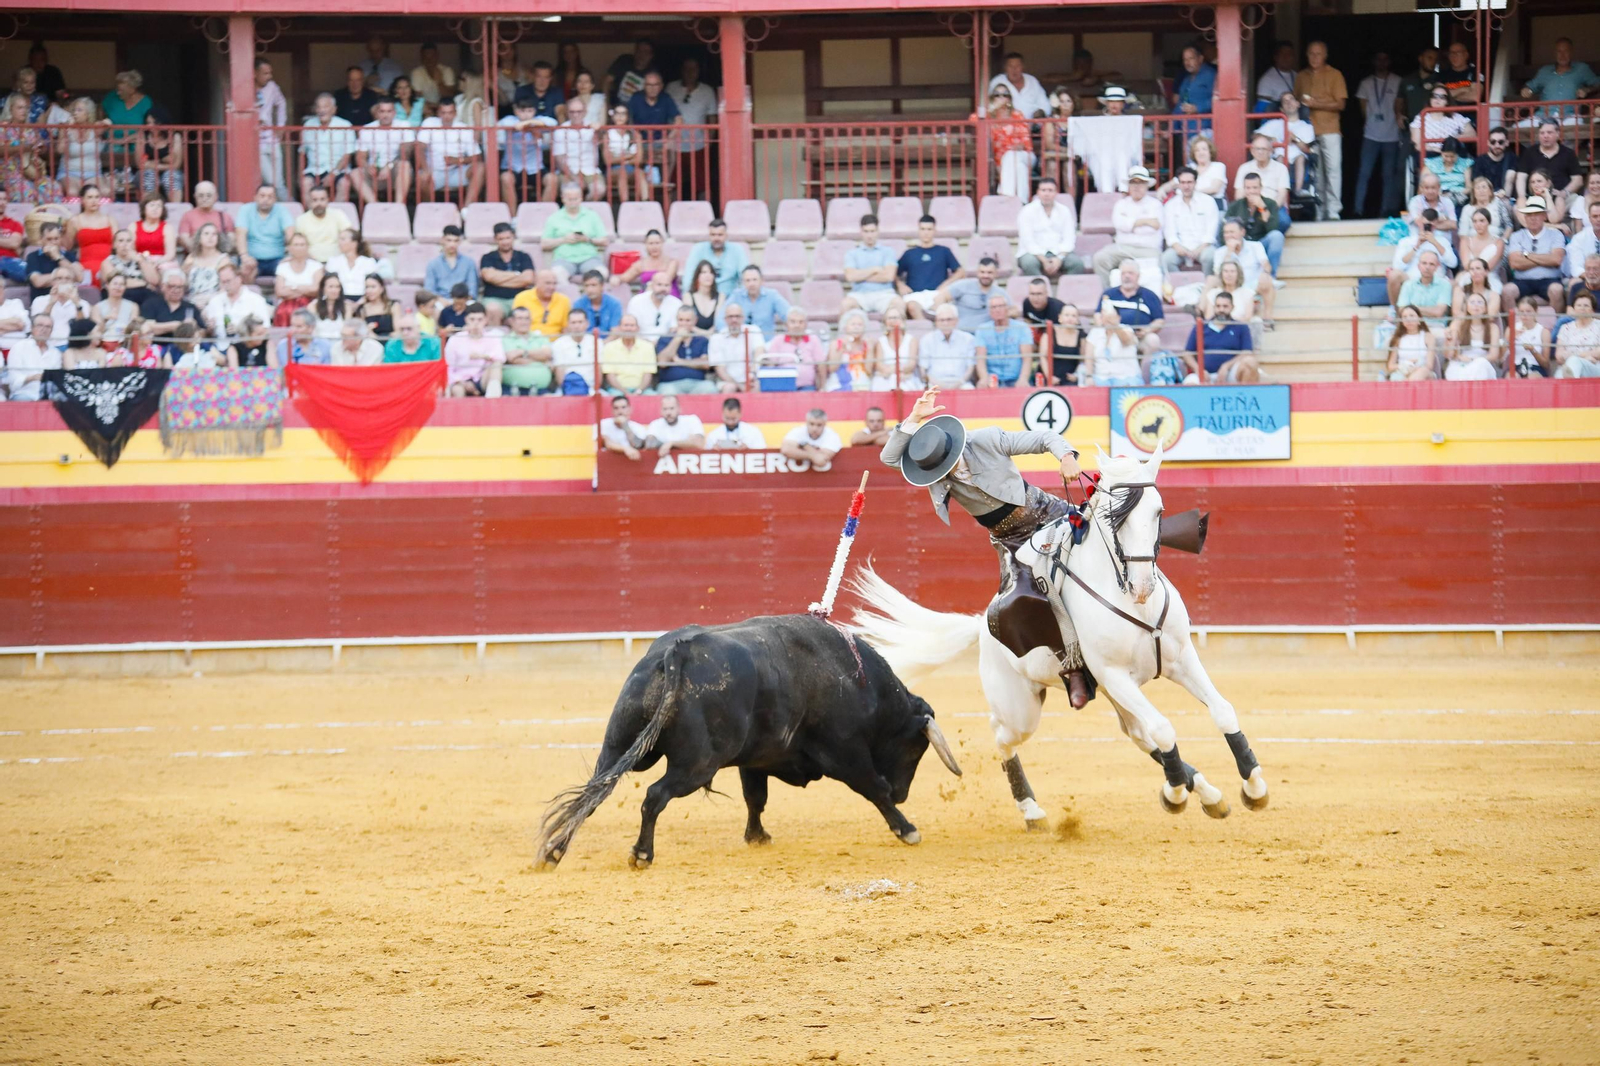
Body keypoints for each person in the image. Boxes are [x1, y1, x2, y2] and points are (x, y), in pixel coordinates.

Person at [878, 384, 1092, 705]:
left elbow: (1043, 437)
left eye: (944, 464)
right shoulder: (928, 465)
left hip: (1046, 512)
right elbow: (889, 456)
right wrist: (913, 418)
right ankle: (1074, 668)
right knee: (1026, 600)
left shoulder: (987, 439)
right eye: (936, 470)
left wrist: (1066, 455)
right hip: (1010, 540)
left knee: (1106, 533)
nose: (942, 473)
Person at [1294, 41, 1347, 220]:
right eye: (1311, 53)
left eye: (1318, 54)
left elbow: (1341, 104)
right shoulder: (1301, 76)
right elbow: (1295, 102)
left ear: (1325, 56)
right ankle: (1319, 211)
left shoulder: (1335, 74)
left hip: (1331, 129)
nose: (1314, 57)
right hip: (1308, 132)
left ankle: (1333, 211)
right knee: (1316, 173)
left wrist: (1315, 104)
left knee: (1333, 171)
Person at [1091, 166, 1163, 285]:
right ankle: (1108, 295)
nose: (1136, 186)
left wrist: (1130, 224)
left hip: (1148, 249)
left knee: (1159, 261)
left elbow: (1154, 227)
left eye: (1140, 183)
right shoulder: (1121, 204)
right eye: (1133, 183)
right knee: (1100, 258)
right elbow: (1119, 224)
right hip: (1122, 248)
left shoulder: (1156, 205)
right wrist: (1144, 221)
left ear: (1147, 185)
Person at [1353, 51, 1404, 218]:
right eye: (1379, 59)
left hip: (1392, 135)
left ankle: (1385, 211)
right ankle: (1358, 209)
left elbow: (1401, 106)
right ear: (1374, 62)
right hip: (1371, 135)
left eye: (1385, 59)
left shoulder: (1397, 81)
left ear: (1389, 62)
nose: (1382, 63)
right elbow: (1362, 109)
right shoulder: (1366, 83)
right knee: (1364, 173)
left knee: (1389, 175)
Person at [667, 58, 719, 204]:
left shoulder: (707, 91)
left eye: (694, 69)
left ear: (699, 71)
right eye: (687, 69)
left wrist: (709, 143)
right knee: (672, 183)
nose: (690, 73)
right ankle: (671, 217)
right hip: (674, 146)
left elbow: (712, 118)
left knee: (702, 183)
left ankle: (705, 215)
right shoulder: (671, 88)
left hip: (699, 145)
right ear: (681, 71)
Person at [1503, 196, 1568, 311]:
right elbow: (1514, 263)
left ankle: (1555, 327)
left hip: (1549, 280)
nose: (1533, 218)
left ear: (1544, 216)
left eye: (1537, 214)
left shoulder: (1556, 234)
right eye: (1529, 215)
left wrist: (1527, 255)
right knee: (1507, 291)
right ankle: (1512, 327)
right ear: (1525, 217)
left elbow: (1556, 260)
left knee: (1557, 289)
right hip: (1522, 281)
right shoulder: (1516, 236)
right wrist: (1546, 259)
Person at [417, 99, 485, 205]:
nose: (446, 116)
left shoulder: (464, 129)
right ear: (438, 113)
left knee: (480, 167)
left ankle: (466, 210)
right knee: (422, 178)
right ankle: (430, 209)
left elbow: (478, 157)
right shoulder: (429, 123)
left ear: (455, 113)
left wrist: (458, 160)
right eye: (443, 113)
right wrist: (426, 170)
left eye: (450, 113)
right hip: (434, 172)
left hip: (456, 172)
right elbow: (419, 148)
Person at [896, 215, 964, 319]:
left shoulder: (944, 251)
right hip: (915, 295)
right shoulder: (909, 254)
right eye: (923, 229)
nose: (926, 232)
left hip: (937, 294)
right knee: (912, 307)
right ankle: (925, 328)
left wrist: (945, 285)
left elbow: (960, 272)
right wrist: (900, 285)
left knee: (942, 306)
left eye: (929, 229)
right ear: (918, 230)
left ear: (934, 230)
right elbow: (894, 273)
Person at [1016, 178, 1084, 280]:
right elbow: (1027, 241)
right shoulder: (1027, 211)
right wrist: (1044, 260)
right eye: (1043, 190)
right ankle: (1039, 293)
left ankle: (1066, 294)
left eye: (1050, 190)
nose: (1046, 194)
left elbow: (1069, 238)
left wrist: (1059, 258)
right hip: (1033, 253)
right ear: (1038, 192)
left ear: (1056, 193)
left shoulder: (1064, 211)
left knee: (1077, 264)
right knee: (1029, 263)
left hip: (1059, 252)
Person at [1386, 208, 1458, 304]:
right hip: (1411, 278)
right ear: (1419, 223)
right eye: (1425, 225)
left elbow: (1453, 263)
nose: (1428, 228)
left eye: (1431, 226)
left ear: (1435, 225)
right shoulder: (1406, 241)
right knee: (1393, 275)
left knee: (1454, 284)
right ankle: (1397, 313)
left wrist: (1435, 243)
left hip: (1436, 279)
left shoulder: (1442, 241)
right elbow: (1397, 266)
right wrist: (1416, 246)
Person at [1184, 292, 1259, 383]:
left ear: (1232, 307)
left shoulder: (1241, 327)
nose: (1221, 310)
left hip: (1231, 372)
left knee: (1250, 363)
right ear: (1214, 307)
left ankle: (1244, 396)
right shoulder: (1201, 326)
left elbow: (1247, 352)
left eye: (1225, 306)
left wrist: (1226, 366)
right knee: (1190, 383)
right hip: (1205, 374)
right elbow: (1187, 354)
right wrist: (1198, 370)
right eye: (1218, 306)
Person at [498, 93, 558, 207]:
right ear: (515, 111)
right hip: (513, 168)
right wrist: (531, 126)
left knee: (552, 179)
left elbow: (553, 123)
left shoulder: (539, 119)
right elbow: (515, 126)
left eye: (530, 111)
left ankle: (543, 215)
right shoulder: (509, 120)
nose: (526, 115)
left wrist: (531, 124)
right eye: (522, 111)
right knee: (506, 178)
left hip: (535, 168)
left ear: (535, 111)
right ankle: (513, 218)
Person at [542, 181, 608, 282]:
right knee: (556, 275)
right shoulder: (554, 218)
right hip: (563, 259)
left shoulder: (592, 215)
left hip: (589, 258)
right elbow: (544, 244)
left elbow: (604, 241)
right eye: (569, 199)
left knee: (601, 273)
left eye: (575, 199)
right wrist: (563, 240)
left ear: (581, 198)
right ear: (563, 198)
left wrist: (587, 239)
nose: (573, 202)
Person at [1520, 38, 1599, 122]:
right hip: (1543, 116)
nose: (1562, 55)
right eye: (1559, 52)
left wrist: (1587, 90)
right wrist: (1526, 90)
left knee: (1574, 128)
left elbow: (1598, 84)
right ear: (1555, 53)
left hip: (1570, 117)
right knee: (1517, 128)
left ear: (1571, 53)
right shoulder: (1544, 71)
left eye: (1566, 51)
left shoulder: (1581, 69)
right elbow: (1529, 87)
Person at [354, 98, 415, 206]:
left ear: (394, 113)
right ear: (377, 113)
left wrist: (389, 166)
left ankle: (398, 206)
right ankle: (376, 206)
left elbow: (405, 153)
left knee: (404, 165)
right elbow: (360, 156)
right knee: (354, 173)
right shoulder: (367, 129)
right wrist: (367, 166)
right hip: (375, 172)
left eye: (389, 111)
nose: (385, 115)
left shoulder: (403, 125)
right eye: (382, 111)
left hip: (395, 171)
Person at [841, 213, 903, 318]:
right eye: (866, 231)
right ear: (861, 232)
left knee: (899, 303)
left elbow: (889, 276)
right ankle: (843, 335)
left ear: (878, 231)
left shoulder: (888, 252)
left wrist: (860, 276)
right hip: (859, 295)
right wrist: (875, 270)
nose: (869, 235)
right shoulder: (852, 253)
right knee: (845, 304)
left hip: (884, 294)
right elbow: (850, 277)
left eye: (872, 231)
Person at [1161, 167, 1220, 276]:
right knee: (1167, 259)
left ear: (1195, 183)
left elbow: (1211, 232)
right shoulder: (1171, 205)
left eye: (1189, 182)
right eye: (1183, 182)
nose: (1186, 186)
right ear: (1178, 184)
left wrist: (1199, 248)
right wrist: (1178, 247)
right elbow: (1170, 233)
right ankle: (1179, 288)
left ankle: (1206, 287)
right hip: (1180, 247)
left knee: (1210, 256)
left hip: (1203, 247)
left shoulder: (1208, 202)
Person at [1225, 173, 1287, 276]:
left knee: (1277, 236)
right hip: (1241, 245)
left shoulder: (1270, 204)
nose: (1252, 191)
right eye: (1248, 188)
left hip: (1261, 244)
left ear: (1261, 188)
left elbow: (1273, 229)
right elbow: (1225, 229)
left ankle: (1270, 277)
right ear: (1244, 189)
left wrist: (1262, 208)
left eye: (1255, 187)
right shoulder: (1235, 206)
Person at [1099, 261, 1165, 357]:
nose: (1126, 276)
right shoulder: (1109, 294)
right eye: (1123, 273)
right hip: (1113, 336)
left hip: (1139, 337)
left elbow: (1159, 320)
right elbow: (1097, 315)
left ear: (1138, 276)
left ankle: (1145, 371)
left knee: (1153, 340)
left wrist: (1147, 330)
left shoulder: (1150, 295)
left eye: (1130, 273)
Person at [299, 93, 356, 203]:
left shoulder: (345, 125)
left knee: (344, 184)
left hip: (338, 170)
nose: (321, 110)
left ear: (334, 109)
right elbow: (302, 153)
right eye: (319, 107)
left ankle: (335, 216)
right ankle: (312, 216)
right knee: (305, 183)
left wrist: (333, 174)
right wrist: (299, 176)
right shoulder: (308, 125)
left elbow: (347, 155)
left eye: (325, 107)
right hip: (314, 170)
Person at [479, 222, 537, 326]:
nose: (505, 242)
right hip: (495, 299)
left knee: (530, 310)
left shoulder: (523, 256)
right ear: (495, 239)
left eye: (508, 238)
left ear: (513, 237)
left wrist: (498, 279)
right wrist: (517, 275)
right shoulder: (488, 257)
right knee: (493, 309)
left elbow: (528, 279)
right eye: (501, 239)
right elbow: (489, 276)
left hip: (520, 298)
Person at [973, 293, 1035, 388]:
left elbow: (1027, 358)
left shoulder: (1022, 328)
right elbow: (980, 359)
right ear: (989, 311)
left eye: (1001, 306)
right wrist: (984, 378)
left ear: (1007, 309)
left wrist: (1023, 379)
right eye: (993, 307)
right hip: (992, 380)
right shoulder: (982, 330)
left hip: (1016, 379)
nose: (997, 310)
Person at [444, 302, 505, 397]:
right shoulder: (455, 339)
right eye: (472, 319)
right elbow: (448, 367)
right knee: (457, 390)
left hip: (482, 378)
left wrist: (482, 356)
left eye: (480, 320)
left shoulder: (493, 337)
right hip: (460, 380)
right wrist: (461, 382)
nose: (476, 323)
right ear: (466, 320)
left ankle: (493, 402)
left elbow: (500, 357)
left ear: (486, 320)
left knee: (496, 365)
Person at [236, 183, 295, 281]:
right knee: (246, 269)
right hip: (252, 258)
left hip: (277, 259)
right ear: (255, 197)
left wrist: (291, 256)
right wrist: (244, 256)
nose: (266, 200)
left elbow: (291, 234)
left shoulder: (282, 211)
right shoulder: (245, 210)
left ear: (275, 199)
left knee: (289, 269)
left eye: (270, 197)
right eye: (262, 196)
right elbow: (240, 235)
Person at [654, 305, 717, 395]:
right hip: (670, 384)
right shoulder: (665, 338)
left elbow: (705, 364)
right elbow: (662, 362)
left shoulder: (702, 340)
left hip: (697, 384)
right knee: (668, 392)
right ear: (676, 320)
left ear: (695, 320)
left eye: (688, 320)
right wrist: (677, 338)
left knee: (710, 389)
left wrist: (679, 361)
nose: (684, 324)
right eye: (681, 320)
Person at [1516, 120, 1582, 206]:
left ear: (1557, 134)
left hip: (1561, 198)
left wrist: (1564, 193)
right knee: (1516, 209)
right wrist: (1522, 196)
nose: (1545, 136)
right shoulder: (1529, 153)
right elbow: (1521, 177)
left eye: (1549, 132)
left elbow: (1578, 180)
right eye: (1542, 133)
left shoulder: (1568, 153)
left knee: (1578, 202)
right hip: (1535, 198)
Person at [204, 262, 271, 346]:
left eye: (228, 281)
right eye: (222, 282)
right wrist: (210, 329)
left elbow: (265, 329)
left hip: (246, 347)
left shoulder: (256, 300)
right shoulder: (214, 301)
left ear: (239, 279)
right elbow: (209, 334)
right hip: (220, 347)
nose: (226, 285)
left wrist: (241, 329)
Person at [681, 218, 751, 297]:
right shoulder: (698, 249)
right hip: (704, 299)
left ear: (726, 235)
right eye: (713, 235)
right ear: (709, 235)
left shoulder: (737, 249)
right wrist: (688, 296)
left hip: (730, 298)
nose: (716, 238)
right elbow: (689, 276)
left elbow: (746, 275)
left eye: (720, 235)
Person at [986, 84, 1034, 199]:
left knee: (1011, 156)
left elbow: (1026, 143)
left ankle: (1006, 196)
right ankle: (1022, 202)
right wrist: (992, 108)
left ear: (1009, 98)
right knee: (1020, 169)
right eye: (997, 95)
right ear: (992, 99)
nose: (1001, 98)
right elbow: (973, 120)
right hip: (1002, 162)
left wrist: (1017, 147)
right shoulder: (989, 117)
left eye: (1005, 95)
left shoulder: (1017, 115)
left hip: (1024, 155)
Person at [917, 303, 980, 388]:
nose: (945, 323)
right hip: (934, 383)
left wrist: (959, 383)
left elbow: (971, 367)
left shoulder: (968, 339)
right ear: (936, 322)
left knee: (969, 389)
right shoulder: (927, 340)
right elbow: (923, 369)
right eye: (941, 320)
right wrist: (938, 384)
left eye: (949, 319)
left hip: (961, 383)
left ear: (956, 321)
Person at [1442, 291, 1501, 380]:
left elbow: (1494, 355)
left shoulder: (1493, 328)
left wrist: (1473, 360)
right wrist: (1448, 341)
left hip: (1483, 364)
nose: (1476, 305)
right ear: (1467, 307)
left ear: (1485, 308)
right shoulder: (1458, 324)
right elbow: (1448, 354)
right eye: (1472, 302)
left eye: (1480, 302)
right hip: (1461, 364)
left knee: (1480, 366)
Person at [821, 309, 884, 392]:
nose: (856, 327)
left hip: (862, 384)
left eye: (860, 325)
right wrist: (841, 350)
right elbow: (832, 368)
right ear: (845, 326)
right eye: (853, 324)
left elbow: (868, 371)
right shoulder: (836, 343)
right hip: (839, 383)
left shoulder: (867, 344)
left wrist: (869, 349)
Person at [708, 302, 765, 392]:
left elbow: (759, 353)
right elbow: (720, 370)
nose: (734, 320)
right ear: (725, 319)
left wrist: (752, 373)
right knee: (729, 388)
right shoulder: (716, 338)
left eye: (737, 316)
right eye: (730, 317)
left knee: (756, 386)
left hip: (751, 377)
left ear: (743, 318)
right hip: (727, 381)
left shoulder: (754, 331)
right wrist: (739, 386)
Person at [722, 266, 790, 340]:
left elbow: (789, 315)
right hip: (741, 344)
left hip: (766, 343)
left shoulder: (772, 295)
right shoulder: (736, 296)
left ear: (761, 281)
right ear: (743, 282)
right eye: (748, 280)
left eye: (755, 280)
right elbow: (721, 318)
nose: (751, 284)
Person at [64, 183, 114, 283]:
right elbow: (68, 246)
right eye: (90, 197)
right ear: (82, 200)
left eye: (97, 197)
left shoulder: (110, 219)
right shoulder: (75, 220)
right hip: (86, 264)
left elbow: (117, 243)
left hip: (110, 263)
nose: (94, 200)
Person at [5, 314, 62, 401]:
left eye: (48, 327)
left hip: (49, 396)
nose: (44, 329)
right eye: (40, 325)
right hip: (24, 394)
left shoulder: (55, 353)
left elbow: (57, 380)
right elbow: (13, 382)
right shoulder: (19, 347)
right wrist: (32, 378)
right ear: (31, 328)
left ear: (51, 331)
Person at [25, 222, 84, 304]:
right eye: (49, 239)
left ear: (61, 239)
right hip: (43, 302)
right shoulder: (33, 257)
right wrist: (65, 277)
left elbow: (79, 277)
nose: (53, 242)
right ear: (41, 239)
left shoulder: (69, 255)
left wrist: (58, 257)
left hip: (68, 301)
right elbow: (38, 282)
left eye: (56, 239)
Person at [603, 102, 650, 204]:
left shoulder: (635, 134)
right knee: (622, 173)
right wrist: (629, 157)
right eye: (617, 113)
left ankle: (646, 202)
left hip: (631, 169)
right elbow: (608, 161)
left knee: (640, 173)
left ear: (628, 116)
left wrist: (619, 158)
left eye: (623, 114)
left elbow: (639, 159)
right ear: (612, 116)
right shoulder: (607, 134)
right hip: (614, 171)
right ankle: (625, 204)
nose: (620, 116)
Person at [272, 232, 322, 327]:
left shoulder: (316, 266)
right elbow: (280, 292)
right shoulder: (282, 267)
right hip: (286, 305)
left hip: (311, 304)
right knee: (284, 311)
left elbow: (316, 290)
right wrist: (305, 289)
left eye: (302, 244)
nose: (299, 248)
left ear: (307, 247)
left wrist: (292, 288)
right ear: (289, 247)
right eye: (296, 245)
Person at [326, 228, 385, 308]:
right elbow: (329, 284)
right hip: (339, 301)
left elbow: (373, 284)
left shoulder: (368, 262)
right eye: (339, 239)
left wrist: (359, 303)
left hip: (364, 300)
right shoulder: (333, 262)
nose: (339, 243)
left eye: (343, 239)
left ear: (354, 243)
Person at [1395, 250, 1453, 329]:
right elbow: (1402, 310)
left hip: (1436, 326)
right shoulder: (1408, 285)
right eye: (1424, 263)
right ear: (1418, 265)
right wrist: (1430, 311)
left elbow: (1439, 312)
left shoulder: (1445, 285)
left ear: (1437, 266)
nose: (1427, 267)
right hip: (1411, 326)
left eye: (1431, 264)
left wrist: (1412, 308)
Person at [600, 314, 657, 394]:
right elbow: (610, 375)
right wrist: (625, 393)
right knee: (615, 397)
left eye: (632, 325)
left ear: (637, 328)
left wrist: (638, 391)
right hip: (617, 390)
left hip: (642, 389)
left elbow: (648, 374)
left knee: (652, 396)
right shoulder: (609, 347)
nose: (629, 328)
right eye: (626, 325)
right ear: (619, 328)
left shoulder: (648, 347)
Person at [177, 182, 237, 258]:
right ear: (195, 196)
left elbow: (231, 238)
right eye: (201, 195)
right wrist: (200, 253)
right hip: (196, 256)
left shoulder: (224, 216)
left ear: (216, 197)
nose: (204, 199)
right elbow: (184, 238)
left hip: (220, 256)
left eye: (209, 195)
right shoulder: (188, 216)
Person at [1410, 86, 1475, 156]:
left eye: (1442, 97)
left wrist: (1452, 139)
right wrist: (1436, 149)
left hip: (1452, 154)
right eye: (1434, 96)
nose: (1438, 99)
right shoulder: (1420, 117)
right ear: (1430, 99)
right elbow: (1417, 144)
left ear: (1447, 101)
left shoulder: (1456, 117)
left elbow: (1472, 134)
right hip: (1430, 154)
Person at [255, 60, 289, 194]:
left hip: (272, 140)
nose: (269, 76)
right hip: (257, 142)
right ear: (254, 73)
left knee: (279, 182)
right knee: (271, 182)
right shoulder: (245, 87)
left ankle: (289, 208)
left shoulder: (272, 87)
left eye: (270, 73)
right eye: (265, 73)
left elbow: (282, 103)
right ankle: (290, 207)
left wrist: (281, 126)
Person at [549, 306, 600, 395]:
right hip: (567, 389)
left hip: (591, 390)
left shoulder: (596, 342)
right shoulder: (559, 344)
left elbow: (599, 369)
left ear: (587, 323)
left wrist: (594, 390)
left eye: (580, 322)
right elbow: (559, 372)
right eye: (573, 322)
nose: (577, 326)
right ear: (568, 324)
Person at [613, 229, 680, 295]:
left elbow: (665, 280)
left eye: (657, 243)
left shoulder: (672, 262)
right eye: (651, 243)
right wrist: (617, 279)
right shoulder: (641, 264)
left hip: (668, 295)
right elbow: (625, 277)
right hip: (647, 296)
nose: (654, 247)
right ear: (645, 245)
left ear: (662, 243)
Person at [945, 258, 1004, 332]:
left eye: (989, 272)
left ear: (996, 274)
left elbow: (1014, 311)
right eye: (982, 272)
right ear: (977, 272)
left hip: (987, 336)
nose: (985, 275)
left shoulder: (1000, 292)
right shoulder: (963, 285)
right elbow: (941, 297)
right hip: (961, 334)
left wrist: (1000, 312)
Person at [1170, 45, 1215, 141]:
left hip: (1204, 130)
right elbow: (1180, 105)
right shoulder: (1187, 79)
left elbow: (1217, 100)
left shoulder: (1210, 75)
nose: (1187, 63)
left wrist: (1198, 107)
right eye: (1185, 59)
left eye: (1191, 58)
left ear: (1200, 59)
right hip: (1187, 131)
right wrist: (1171, 128)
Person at [295, 186, 350, 264]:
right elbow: (299, 246)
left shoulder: (338, 214)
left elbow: (350, 237)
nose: (319, 203)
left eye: (322, 199)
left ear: (328, 200)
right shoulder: (301, 220)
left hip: (338, 262)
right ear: (309, 202)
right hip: (310, 263)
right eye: (315, 200)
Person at [511, 268, 572, 340]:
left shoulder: (564, 300)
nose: (552, 287)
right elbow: (516, 326)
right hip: (529, 342)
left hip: (556, 344)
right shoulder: (522, 298)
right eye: (548, 283)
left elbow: (566, 329)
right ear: (537, 283)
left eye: (554, 283)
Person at [988, 52, 1050, 119]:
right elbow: (989, 105)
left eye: (1018, 66)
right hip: (1007, 126)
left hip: (1033, 126)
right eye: (1010, 66)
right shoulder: (997, 81)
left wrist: (1040, 113)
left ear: (1023, 67)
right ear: (1005, 68)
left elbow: (1045, 105)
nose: (1014, 69)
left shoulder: (1032, 81)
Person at [425, 225, 478, 301]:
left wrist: (459, 303)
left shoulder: (469, 262)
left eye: (456, 241)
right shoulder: (433, 264)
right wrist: (443, 301)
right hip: (441, 302)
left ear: (460, 242)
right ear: (442, 240)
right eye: (449, 240)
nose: (452, 244)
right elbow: (429, 290)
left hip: (464, 302)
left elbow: (472, 290)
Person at [1554, 292, 1600, 378]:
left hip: (1593, 368)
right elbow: (1559, 356)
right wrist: (1585, 356)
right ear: (1574, 308)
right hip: (1568, 366)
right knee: (1562, 372)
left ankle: (1569, 386)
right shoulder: (1565, 328)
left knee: (1574, 361)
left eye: (1586, 305)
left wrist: (1573, 356)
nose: (1582, 308)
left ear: (1592, 310)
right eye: (1579, 305)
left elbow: (1598, 353)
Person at [1385, 305, 1437, 381]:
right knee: (1397, 378)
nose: (1408, 319)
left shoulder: (1428, 337)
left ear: (1419, 319)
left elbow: (1429, 365)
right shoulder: (1397, 339)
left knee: (1422, 372)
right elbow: (1390, 366)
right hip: (1403, 371)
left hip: (1423, 372)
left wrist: (1415, 369)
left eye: (1412, 316)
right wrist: (1404, 365)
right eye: (1405, 317)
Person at [627, 271, 682, 342]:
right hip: (640, 342)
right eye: (659, 285)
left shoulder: (677, 303)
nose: (663, 289)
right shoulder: (636, 301)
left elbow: (675, 329)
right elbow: (631, 328)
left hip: (666, 344)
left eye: (666, 285)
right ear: (651, 285)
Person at [605, 40, 659, 109]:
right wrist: (606, 103)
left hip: (638, 111)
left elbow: (653, 96)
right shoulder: (624, 61)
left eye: (646, 52)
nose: (642, 55)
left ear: (651, 56)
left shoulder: (653, 72)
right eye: (639, 51)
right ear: (635, 52)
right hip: (617, 107)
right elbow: (607, 81)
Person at [92, 273, 138, 346]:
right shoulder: (97, 307)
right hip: (104, 343)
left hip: (125, 343)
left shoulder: (133, 306)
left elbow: (134, 327)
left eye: (121, 284)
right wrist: (106, 319)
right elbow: (96, 331)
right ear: (107, 285)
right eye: (115, 284)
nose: (118, 287)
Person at [573, 270, 623, 337]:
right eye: (586, 286)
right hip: (585, 344)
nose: (589, 290)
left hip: (608, 344)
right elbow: (576, 331)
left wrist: (602, 344)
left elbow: (615, 332)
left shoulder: (614, 304)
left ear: (602, 286)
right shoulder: (578, 304)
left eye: (593, 285)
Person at [1407, 171, 1459, 235]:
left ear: (1439, 187)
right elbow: (1418, 221)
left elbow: (1453, 224)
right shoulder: (1415, 201)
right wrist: (1441, 220)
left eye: (1433, 187)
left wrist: (1428, 223)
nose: (1430, 191)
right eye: (1427, 188)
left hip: (1441, 242)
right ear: (1421, 188)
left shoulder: (1448, 202)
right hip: (1419, 240)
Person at [1425, 138, 1473, 206]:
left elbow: (1469, 187)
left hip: (1458, 198)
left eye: (1452, 156)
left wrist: (1453, 194)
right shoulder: (1431, 164)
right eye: (1446, 156)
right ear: (1441, 153)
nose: (1449, 159)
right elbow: (1424, 185)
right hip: (1436, 196)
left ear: (1458, 154)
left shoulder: (1465, 164)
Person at [1509, 296, 1549, 378]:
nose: (1524, 315)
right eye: (1521, 311)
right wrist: (1511, 338)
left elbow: (1546, 364)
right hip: (1516, 366)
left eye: (1528, 311)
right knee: (1512, 377)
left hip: (1536, 367)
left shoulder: (1543, 332)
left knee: (1532, 377)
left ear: (1536, 311)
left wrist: (1532, 349)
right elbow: (1502, 359)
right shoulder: (1512, 329)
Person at [1452, 256, 1502, 321]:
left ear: (1486, 272)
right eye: (1472, 269)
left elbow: (1490, 316)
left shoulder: (1494, 295)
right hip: (1463, 325)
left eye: (1478, 268)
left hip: (1484, 327)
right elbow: (1456, 313)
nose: (1475, 272)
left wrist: (1475, 322)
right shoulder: (1460, 290)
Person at [1472, 127, 1517, 200]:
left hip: (1506, 198)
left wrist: (1504, 196)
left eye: (1501, 142)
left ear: (1507, 143)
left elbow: (1510, 180)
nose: (1497, 145)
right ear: (1488, 143)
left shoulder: (1512, 158)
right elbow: (1478, 183)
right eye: (1493, 142)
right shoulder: (1479, 161)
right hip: (1486, 199)